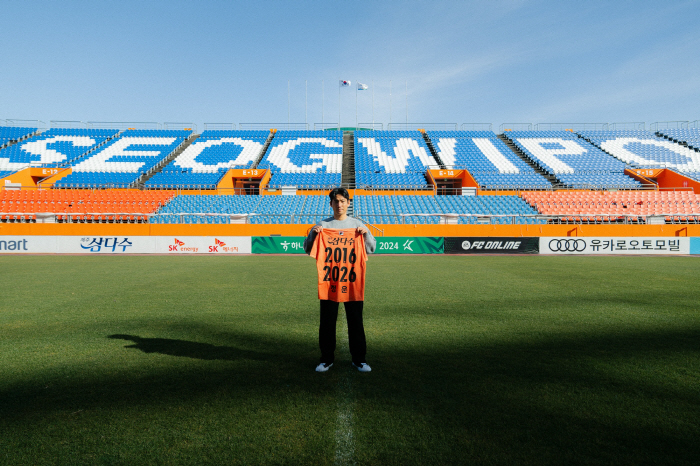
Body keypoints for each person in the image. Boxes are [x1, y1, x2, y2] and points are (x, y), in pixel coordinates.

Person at [304, 187, 376, 373]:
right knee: (327, 322)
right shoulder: (323, 225)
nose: (339, 204)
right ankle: (326, 359)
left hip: (352, 281)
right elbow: (307, 248)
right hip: (330, 282)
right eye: (336, 201)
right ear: (331, 204)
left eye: (343, 201)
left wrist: (365, 234)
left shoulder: (358, 225)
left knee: (356, 321)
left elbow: (371, 249)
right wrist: (314, 234)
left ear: (348, 203)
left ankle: (359, 359)